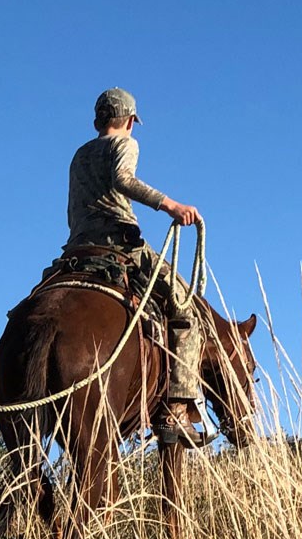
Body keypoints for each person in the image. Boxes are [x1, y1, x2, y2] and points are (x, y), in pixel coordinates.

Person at [64, 87, 215, 448]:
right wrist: (171, 206)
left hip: (77, 248)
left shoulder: (79, 155)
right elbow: (123, 179)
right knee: (185, 304)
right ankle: (178, 406)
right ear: (130, 121)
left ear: (98, 119)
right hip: (120, 245)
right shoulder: (125, 145)